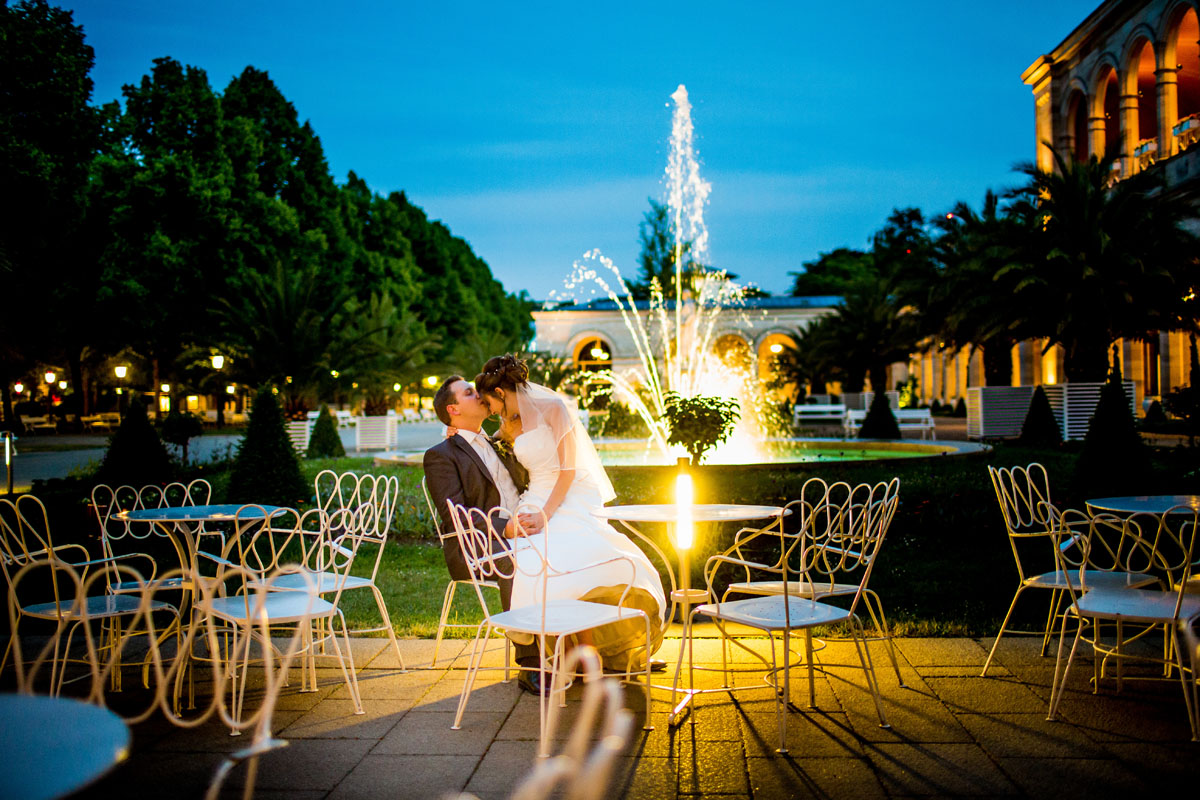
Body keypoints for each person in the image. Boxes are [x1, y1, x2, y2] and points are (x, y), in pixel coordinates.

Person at [473, 354, 667, 672]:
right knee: (535, 561)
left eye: (491, 403)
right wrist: (460, 436)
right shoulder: (509, 422)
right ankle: (567, 653)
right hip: (535, 496)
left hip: (567, 494)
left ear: (502, 393)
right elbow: (487, 445)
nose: (491, 411)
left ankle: (612, 651)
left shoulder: (554, 409)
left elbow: (567, 471)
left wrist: (546, 515)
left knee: (589, 558)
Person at [423, 376, 545, 693]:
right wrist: (505, 528)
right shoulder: (441, 455)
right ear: (453, 409)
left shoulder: (498, 441)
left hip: (525, 528)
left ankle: (580, 647)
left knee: (564, 549)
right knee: (516, 559)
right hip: (476, 545)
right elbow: (455, 516)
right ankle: (531, 662)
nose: (478, 394)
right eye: (469, 392)